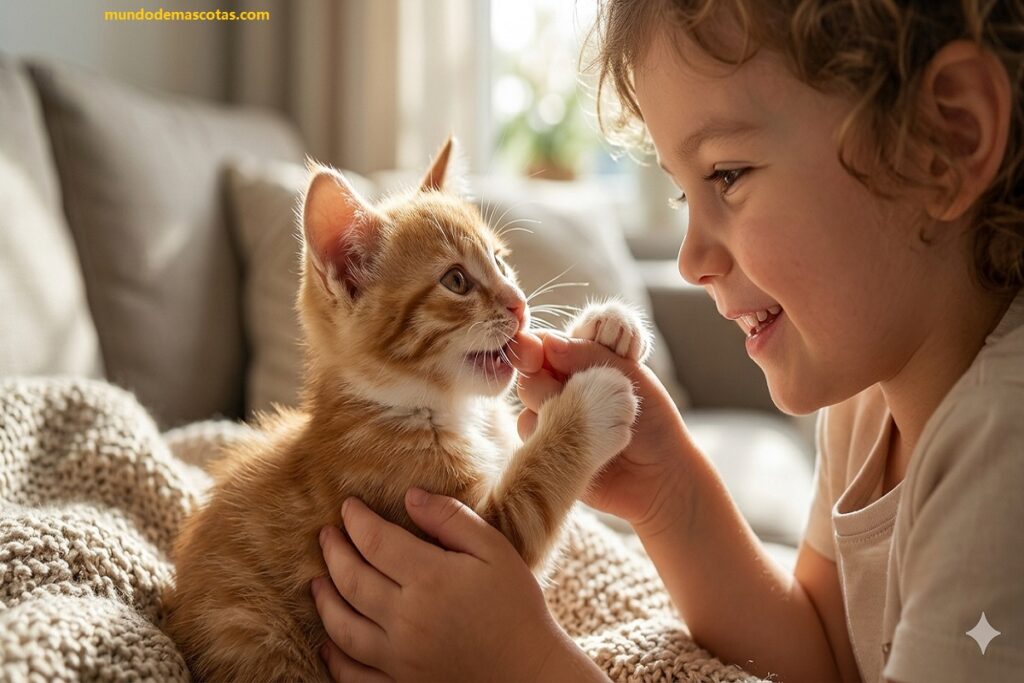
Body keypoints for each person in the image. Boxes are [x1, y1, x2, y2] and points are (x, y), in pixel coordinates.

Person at [310, 1, 1024, 681]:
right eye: (685, 193)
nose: (689, 260)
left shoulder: (1003, 455)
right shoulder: (872, 397)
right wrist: (669, 493)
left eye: (728, 175)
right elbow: (826, 657)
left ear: (947, 140)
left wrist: (524, 664)